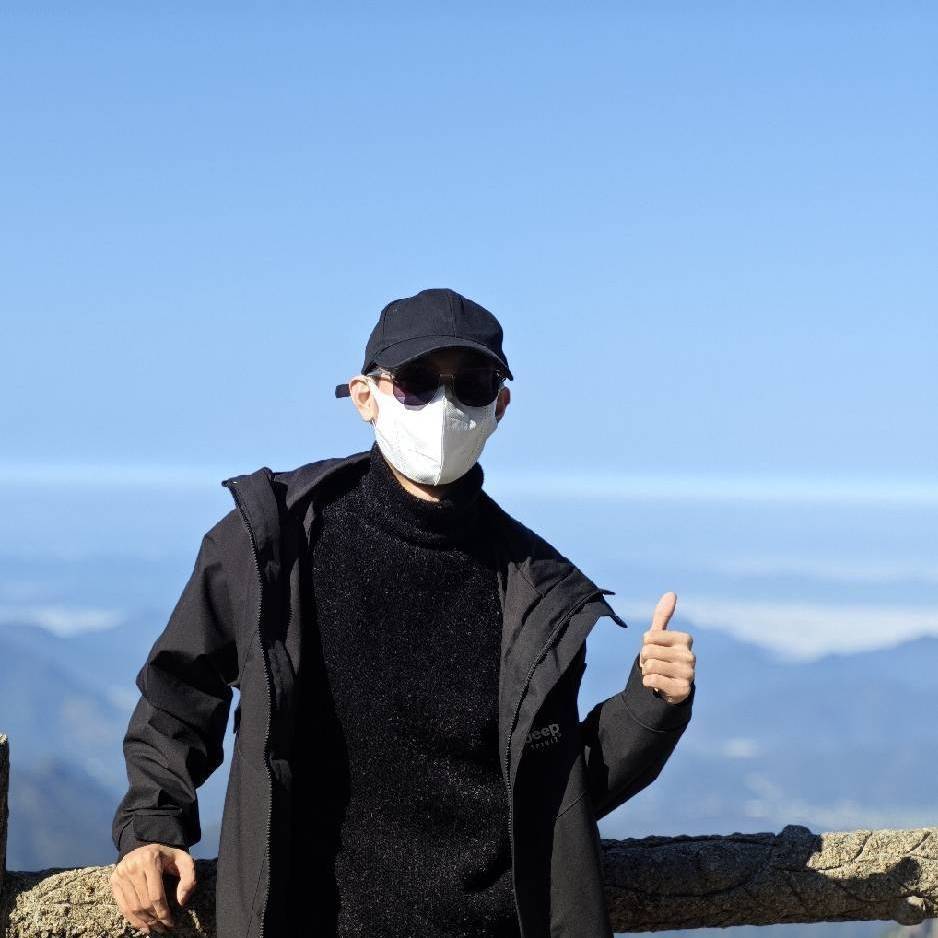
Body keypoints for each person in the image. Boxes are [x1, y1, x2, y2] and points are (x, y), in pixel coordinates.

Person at [109, 286, 697, 938]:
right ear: (365, 397)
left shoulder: (538, 591)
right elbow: (180, 691)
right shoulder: (273, 543)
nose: (445, 407)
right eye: (417, 383)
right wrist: (151, 828)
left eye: (471, 385)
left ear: (500, 406)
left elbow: (549, 793)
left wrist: (649, 705)